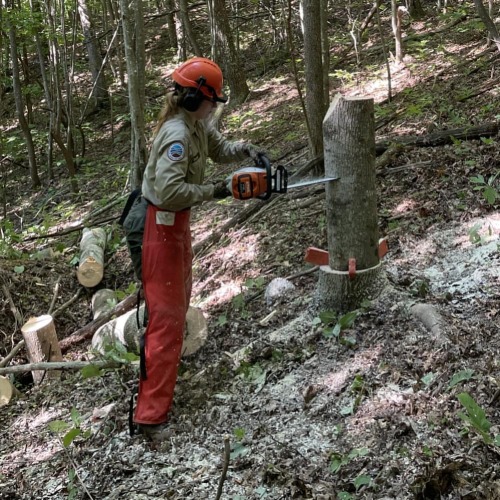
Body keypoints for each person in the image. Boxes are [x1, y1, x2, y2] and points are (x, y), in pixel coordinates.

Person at [122, 57, 260, 442]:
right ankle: (150, 418)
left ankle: (160, 396)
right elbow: (168, 192)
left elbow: (219, 148)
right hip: (157, 225)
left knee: (177, 310)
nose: (214, 106)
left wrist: (249, 151)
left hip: (176, 225)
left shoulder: (197, 126)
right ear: (196, 96)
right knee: (165, 321)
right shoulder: (178, 135)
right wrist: (215, 191)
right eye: (211, 100)